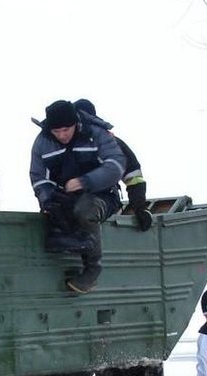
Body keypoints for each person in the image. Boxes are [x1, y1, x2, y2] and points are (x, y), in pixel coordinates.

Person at [29, 99, 125, 293]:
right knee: (54, 212)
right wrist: (46, 198)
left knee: (84, 210)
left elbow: (116, 165)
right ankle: (68, 244)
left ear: (75, 124)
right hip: (64, 195)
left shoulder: (95, 134)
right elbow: (38, 176)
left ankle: (92, 271)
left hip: (102, 194)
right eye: (57, 131)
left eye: (66, 130)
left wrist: (85, 181)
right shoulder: (43, 142)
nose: (62, 135)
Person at [72, 99, 152, 232]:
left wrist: (139, 209)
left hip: (102, 200)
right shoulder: (61, 145)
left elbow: (133, 176)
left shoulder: (110, 143)